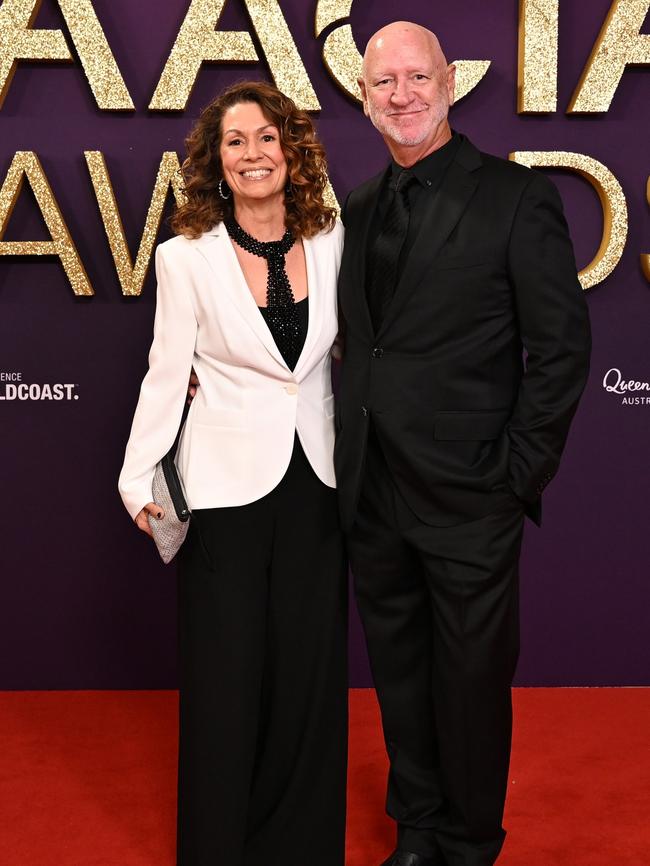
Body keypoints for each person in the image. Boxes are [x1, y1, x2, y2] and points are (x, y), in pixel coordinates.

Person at [334, 22, 591, 866]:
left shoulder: (514, 197)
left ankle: (472, 841)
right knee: (401, 679)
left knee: (471, 688)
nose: (401, 95)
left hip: (471, 498)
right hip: (375, 494)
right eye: (384, 84)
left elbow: (561, 349)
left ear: (450, 81)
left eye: (416, 77)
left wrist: (515, 476)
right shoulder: (359, 208)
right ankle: (417, 830)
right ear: (363, 97)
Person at [118, 81, 347, 866]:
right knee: (224, 680)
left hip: (317, 481)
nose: (254, 155)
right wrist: (138, 482)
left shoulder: (332, 238)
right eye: (236, 142)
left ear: (293, 152)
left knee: (308, 678)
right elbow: (163, 371)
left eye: (267, 139)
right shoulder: (186, 259)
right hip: (223, 491)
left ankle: (300, 845)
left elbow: (348, 349)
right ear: (216, 162)